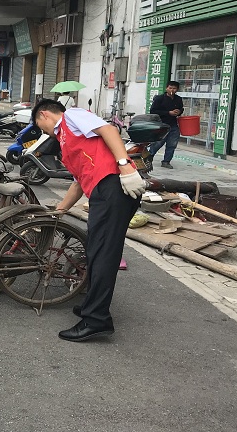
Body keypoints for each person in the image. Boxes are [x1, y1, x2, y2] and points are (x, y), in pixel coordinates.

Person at [32, 99, 145, 342]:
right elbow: (78, 181)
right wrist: (60, 209)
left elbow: (109, 130)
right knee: (95, 250)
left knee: (104, 253)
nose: (44, 132)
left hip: (114, 186)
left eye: (41, 127)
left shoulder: (71, 117)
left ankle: (97, 320)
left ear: (44, 115)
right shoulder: (66, 140)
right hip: (101, 192)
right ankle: (90, 306)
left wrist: (124, 166)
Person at [149, 81, 184, 169]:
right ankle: (148, 159)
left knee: (172, 144)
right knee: (157, 143)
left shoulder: (178, 99)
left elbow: (181, 108)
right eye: (170, 88)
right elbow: (153, 111)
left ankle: (166, 161)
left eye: (174, 88)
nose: (172, 90)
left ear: (177, 89)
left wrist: (178, 112)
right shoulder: (159, 98)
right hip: (161, 124)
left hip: (173, 125)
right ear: (166, 88)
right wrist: (168, 113)